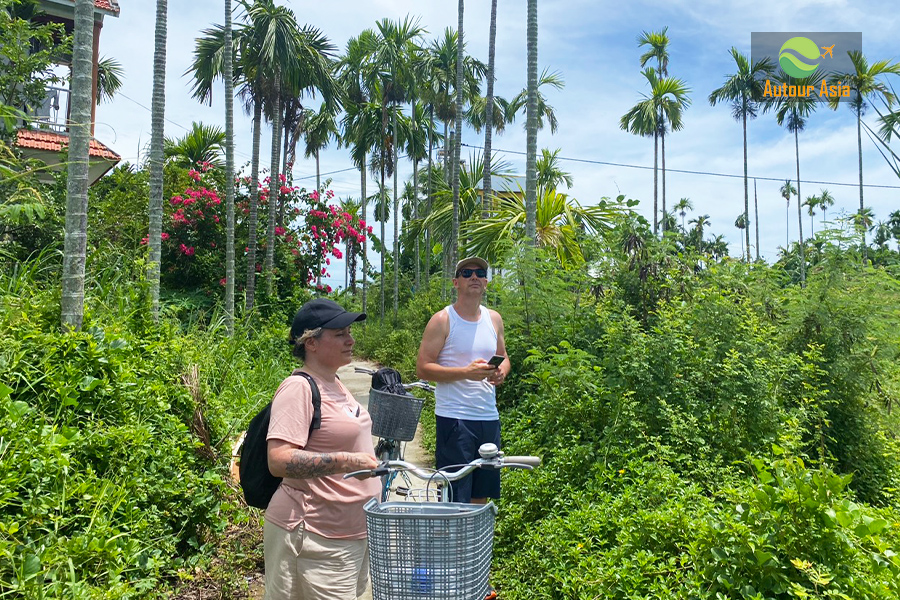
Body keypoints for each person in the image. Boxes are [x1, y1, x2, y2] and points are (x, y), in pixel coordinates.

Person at [264, 298, 380, 600]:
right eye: (340, 334)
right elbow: (278, 460)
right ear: (311, 342)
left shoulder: (336, 383)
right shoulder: (299, 388)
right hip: (312, 536)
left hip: (352, 534)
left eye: (349, 332)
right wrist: (345, 461)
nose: (351, 340)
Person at [416, 257, 510, 504]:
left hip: (489, 419)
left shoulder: (494, 319)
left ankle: (475, 544)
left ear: (487, 283)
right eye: (467, 273)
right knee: (454, 497)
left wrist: (501, 373)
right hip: (455, 419)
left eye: (480, 273)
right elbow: (423, 368)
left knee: (481, 496)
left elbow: (504, 356)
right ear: (455, 282)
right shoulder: (443, 320)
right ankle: (451, 543)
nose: (475, 277)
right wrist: (465, 373)